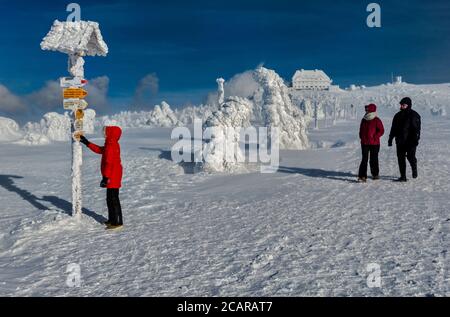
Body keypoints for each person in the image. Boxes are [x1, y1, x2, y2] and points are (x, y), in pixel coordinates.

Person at [79, 123, 124, 229]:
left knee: (113, 199)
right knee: (110, 199)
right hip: (114, 175)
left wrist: (105, 177)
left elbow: (109, 162)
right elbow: (100, 150)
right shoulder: (111, 144)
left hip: (112, 176)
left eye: (106, 132)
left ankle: (117, 222)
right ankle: (112, 220)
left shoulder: (111, 145)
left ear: (111, 134)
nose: (104, 134)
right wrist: (87, 142)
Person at [388, 97, 421, 182]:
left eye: (404, 105)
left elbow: (417, 129)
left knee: (410, 157)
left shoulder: (414, 115)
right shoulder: (397, 115)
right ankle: (403, 177)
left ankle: (414, 168)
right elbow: (393, 128)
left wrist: (416, 140)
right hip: (400, 141)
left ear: (408, 105)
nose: (402, 106)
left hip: (411, 141)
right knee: (400, 159)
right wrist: (390, 138)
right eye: (401, 104)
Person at [358, 103, 385, 182]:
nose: (366, 111)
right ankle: (362, 176)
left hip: (375, 143)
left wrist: (375, 137)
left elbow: (381, 130)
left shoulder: (377, 120)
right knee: (364, 159)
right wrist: (361, 136)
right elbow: (361, 130)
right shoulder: (364, 119)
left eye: (367, 109)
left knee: (374, 159)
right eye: (366, 110)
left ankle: (375, 174)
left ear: (371, 110)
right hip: (364, 143)